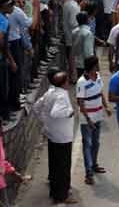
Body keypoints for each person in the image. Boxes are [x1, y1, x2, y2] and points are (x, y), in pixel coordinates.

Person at [35, 70, 77, 205]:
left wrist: (45, 121)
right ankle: (62, 195)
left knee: (54, 165)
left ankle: (55, 192)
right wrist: (69, 112)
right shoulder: (61, 95)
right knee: (63, 167)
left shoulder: (50, 92)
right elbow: (56, 112)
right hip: (62, 136)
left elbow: (36, 107)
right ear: (64, 83)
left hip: (52, 134)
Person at [75, 55, 111, 185]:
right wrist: (88, 119)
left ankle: (94, 164)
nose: (99, 66)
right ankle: (88, 172)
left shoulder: (98, 77)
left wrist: (106, 107)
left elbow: (100, 93)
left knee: (96, 142)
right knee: (87, 144)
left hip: (98, 115)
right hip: (87, 119)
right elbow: (80, 102)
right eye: (97, 64)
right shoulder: (81, 82)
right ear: (93, 66)